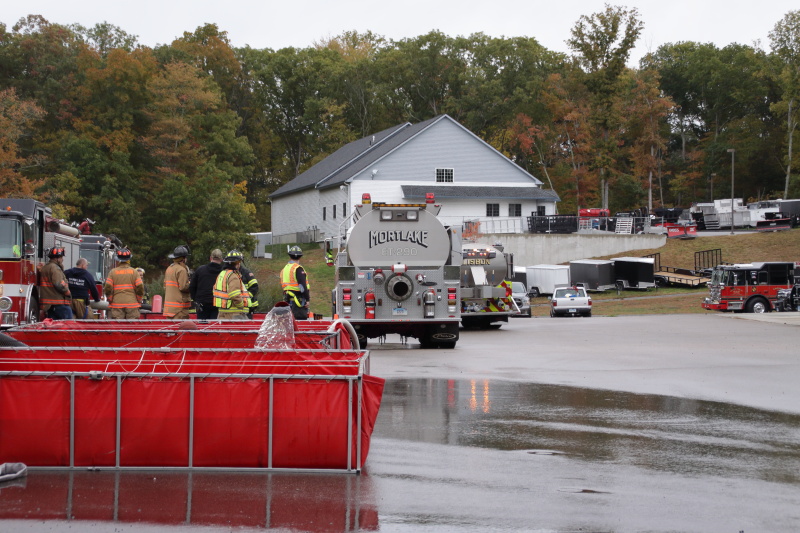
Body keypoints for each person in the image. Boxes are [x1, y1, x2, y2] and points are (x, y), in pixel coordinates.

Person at [104, 248, 144, 319]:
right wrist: (139, 299)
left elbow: (108, 287)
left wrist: (110, 299)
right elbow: (140, 287)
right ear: (129, 259)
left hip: (117, 304)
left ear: (118, 259)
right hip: (132, 304)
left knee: (118, 327)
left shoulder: (113, 272)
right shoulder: (134, 272)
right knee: (131, 328)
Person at [212, 250, 251, 320]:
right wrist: (241, 306)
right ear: (237, 263)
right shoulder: (233, 276)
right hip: (234, 315)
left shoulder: (222, 274)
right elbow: (234, 294)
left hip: (222, 313)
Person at [39, 247, 73, 320]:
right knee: (68, 324)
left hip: (50, 304)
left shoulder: (46, 267)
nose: (62, 259)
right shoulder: (55, 268)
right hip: (58, 302)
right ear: (56, 258)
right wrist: (67, 292)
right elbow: (59, 283)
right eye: (61, 257)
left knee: (53, 326)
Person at [189, 249, 224, 320]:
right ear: (221, 259)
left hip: (202, 304)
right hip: (217, 304)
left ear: (210, 258)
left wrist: (196, 299)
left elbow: (192, 286)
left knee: (202, 328)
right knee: (214, 328)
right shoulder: (224, 272)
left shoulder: (200, 270)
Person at [280, 245, 310, 320]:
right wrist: (307, 299)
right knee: (299, 324)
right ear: (300, 257)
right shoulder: (298, 268)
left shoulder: (285, 269)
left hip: (287, 300)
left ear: (290, 256)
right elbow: (302, 286)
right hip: (298, 302)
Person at [163, 245, 191, 319]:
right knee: (181, 329)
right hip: (179, 309)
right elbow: (183, 287)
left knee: (171, 329)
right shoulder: (181, 270)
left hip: (169, 309)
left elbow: (165, 286)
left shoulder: (169, 268)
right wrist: (191, 284)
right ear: (183, 259)